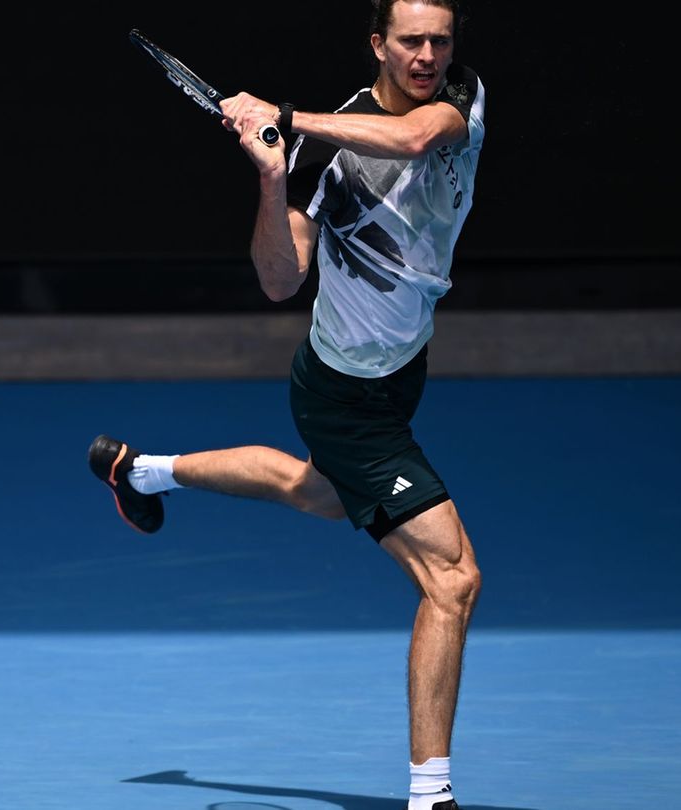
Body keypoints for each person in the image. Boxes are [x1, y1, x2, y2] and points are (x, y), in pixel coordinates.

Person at [90, 2, 485, 808]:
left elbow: (412, 140)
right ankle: (431, 794)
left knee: (320, 493)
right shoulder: (317, 153)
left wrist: (278, 116)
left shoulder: (462, 96)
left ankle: (144, 474)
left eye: (438, 39)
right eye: (410, 39)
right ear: (377, 43)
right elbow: (280, 280)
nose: (426, 54)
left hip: (402, 370)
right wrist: (272, 179)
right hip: (345, 396)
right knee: (451, 577)